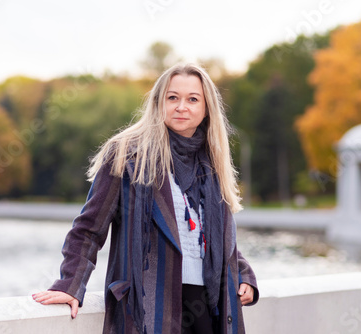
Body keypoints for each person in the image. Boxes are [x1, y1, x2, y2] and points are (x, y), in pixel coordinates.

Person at [33, 63, 259, 333]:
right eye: (172, 97)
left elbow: (214, 235)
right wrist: (70, 284)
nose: (181, 106)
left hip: (210, 306)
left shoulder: (212, 163)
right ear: (158, 102)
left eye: (193, 99)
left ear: (207, 107)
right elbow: (89, 229)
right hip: (149, 304)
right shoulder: (127, 154)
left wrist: (243, 273)